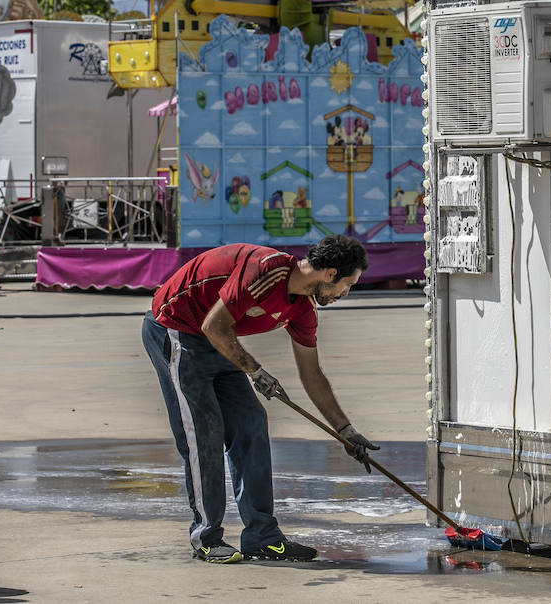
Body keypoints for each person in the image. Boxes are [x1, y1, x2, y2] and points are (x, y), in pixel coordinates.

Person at [141, 236, 377, 565]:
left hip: (220, 339)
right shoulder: (265, 271)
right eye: (346, 286)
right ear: (330, 274)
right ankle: (206, 537)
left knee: (251, 423)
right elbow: (212, 325)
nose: (344, 295)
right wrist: (255, 371)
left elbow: (312, 375)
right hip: (177, 330)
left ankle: (262, 537)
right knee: (203, 432)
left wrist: (345, 431)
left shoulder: (302, 310)